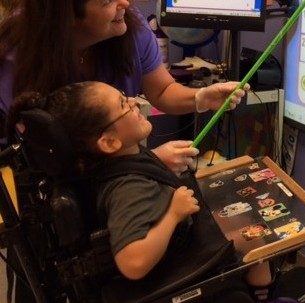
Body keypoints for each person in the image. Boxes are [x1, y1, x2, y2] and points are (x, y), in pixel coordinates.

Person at [7, 81, 273, 301]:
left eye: (126, 97)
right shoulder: (129, 188)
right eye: (124, 105)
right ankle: (262, 292)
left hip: (180, 244)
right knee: (254, 232)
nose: (135, 103)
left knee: (245, 223)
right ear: (110, 142)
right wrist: (172, 214)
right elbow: (132, 262)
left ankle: (261, 287)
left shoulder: (120, 162)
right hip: (175, 266)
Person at [0, 0, 248, 175]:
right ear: (68, 16)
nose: (126, 3)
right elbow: (50, 162)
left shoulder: (131, 27)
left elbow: (161, 91)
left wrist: (202, 97)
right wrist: (147, 164)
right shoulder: (15, 60)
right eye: (107, 1)